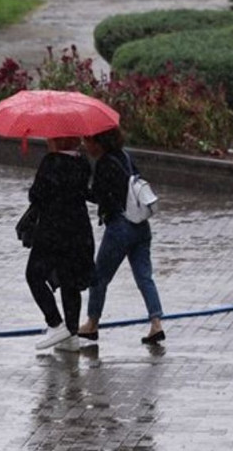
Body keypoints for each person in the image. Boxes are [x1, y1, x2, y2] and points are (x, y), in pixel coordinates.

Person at [78, 128, 165, 344]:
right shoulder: (126, 157)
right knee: (144, 277)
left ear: (98, 143)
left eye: (86, 140)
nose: (84, 145)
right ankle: (156, 323)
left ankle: (92, 324)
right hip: (141, 226)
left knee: (98, 278)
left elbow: (100, 197)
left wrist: (79, 190)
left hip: (120, 227)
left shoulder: (104, 164)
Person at [26, 136, 96, 352]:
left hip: (53, 231)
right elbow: (82, 192)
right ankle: (72, 334)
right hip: (78, 230)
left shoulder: (51, 162)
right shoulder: (82, 162)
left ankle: (55, 323)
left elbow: (36, 196)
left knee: (34, 275)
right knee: (70, 280)